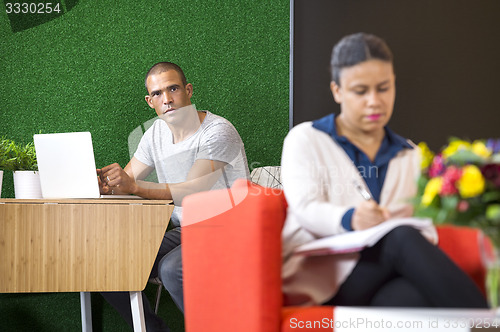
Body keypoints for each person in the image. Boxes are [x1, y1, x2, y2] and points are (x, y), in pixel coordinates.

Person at [280, 33, 488, 308]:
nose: (374, 101)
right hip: (320, 277)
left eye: (383, 88)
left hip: (384, 277)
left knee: (415, 297)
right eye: (360, 91)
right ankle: (489, 323)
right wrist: (351, 218)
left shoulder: (410, 154)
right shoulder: (305, 138)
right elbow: (305, 207)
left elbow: (424, 224)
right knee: (399, 236)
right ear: (337, 91)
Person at [99, 62, 249, 331]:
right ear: (149, 101)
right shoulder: (154, 133)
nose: (166, 99)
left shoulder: (218, 131)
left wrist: (132, 187)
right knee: (110, 262)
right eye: (157, 94)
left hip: (233, 228)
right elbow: (129, 180)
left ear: (188, 90)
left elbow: (192, 191)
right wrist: (109, 186)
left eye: (173, 89)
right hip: (189, 230)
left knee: (172, 269)